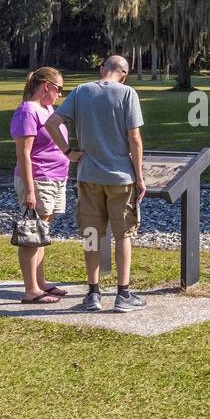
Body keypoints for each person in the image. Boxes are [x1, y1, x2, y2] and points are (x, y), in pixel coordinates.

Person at [45, 54, 147, 312]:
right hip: (121, 177)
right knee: (124, 234)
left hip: (88, 175)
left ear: (102, 69)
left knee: (92, 234)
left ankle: (93, 292)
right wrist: (140, 176)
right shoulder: (127, 94)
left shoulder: (81, 91)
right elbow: (134, 138)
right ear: (124, 74)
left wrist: (68, 153)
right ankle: (123, 294)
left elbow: (51, 123)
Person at [11, 67, 76, 304]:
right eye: (59, 88)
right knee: (32, 233)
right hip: (38, 178)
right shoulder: (27, 112)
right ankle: (31, 290)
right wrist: (30, 190)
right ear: (46, 86)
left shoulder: (47, 109)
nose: (60, 94)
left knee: (42, 231)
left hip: (55, 177)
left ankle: (40, 282)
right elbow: (24, 155)